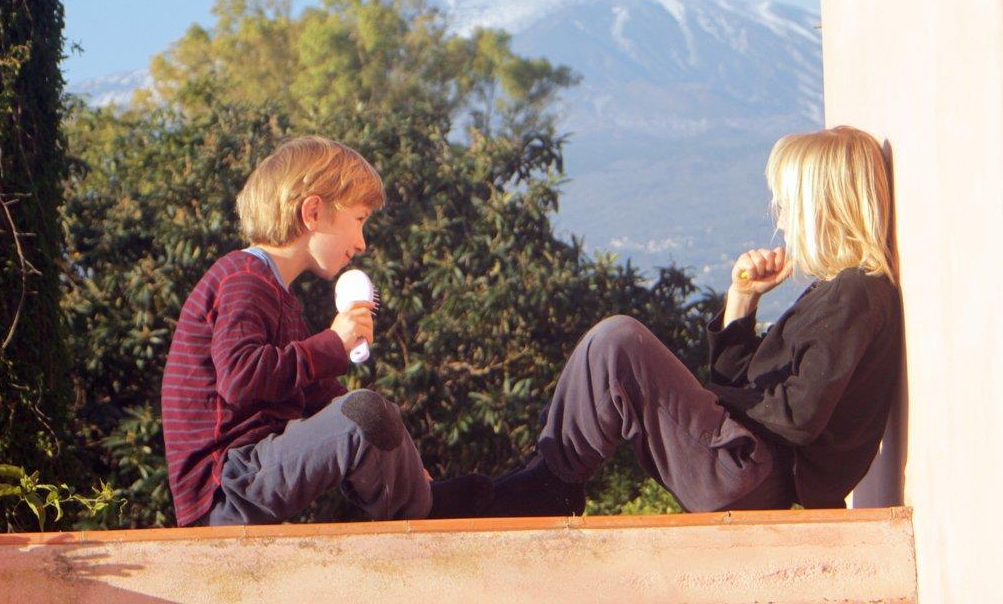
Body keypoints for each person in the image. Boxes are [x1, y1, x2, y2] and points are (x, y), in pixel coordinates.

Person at [486, 126, 902, 515]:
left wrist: (701, 400)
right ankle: (547, 477)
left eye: (789, 206)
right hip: (749, 469)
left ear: (824, 209)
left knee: (619, 343)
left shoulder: (857, 292)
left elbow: (797, 417)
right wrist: (741, 303)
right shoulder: (838, 292)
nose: (780, 220)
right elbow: (742, 384)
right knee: (612, 343)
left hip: (755, 473)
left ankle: (549, 482)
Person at [162, 135, 490, 526]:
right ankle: (426, 519)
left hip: (250, 473)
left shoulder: (276, 293)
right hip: (228, 483)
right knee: (365, 412)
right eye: (359, 220)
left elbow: (320, 397)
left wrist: (401, 457)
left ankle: (424, 504)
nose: (362, 242)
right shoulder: (243, 280)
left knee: (370, 413)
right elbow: (241, 379)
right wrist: (334, 342)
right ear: (313, 212)